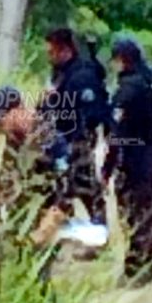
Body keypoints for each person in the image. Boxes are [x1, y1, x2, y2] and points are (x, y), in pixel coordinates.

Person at [0, 86, 69, 303]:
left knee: (38, 278)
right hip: (17, 221)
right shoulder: (14, 140)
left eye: (0, 122)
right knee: (12, 277)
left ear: (18, 110)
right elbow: (7, 179)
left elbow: (71, 184)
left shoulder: (50, 139)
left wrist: (53, 219)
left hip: (44, 221)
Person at [101, 39, 152, 286]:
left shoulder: (128, 89)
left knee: (132, 216)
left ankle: (135, 272)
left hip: (132, 158)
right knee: (151, 212)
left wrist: (107, 169)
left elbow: (116, 133)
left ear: (122, 59)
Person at [43, 28, 110, 226]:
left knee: (85, 185)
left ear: (65, 50)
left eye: (52, 52)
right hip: (59, 137)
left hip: (77, 139)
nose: (49, 56)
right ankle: (63, 228)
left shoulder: (82, 76)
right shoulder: (61, 73)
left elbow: (92, 112)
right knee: (59, 188)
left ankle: (99, 228)